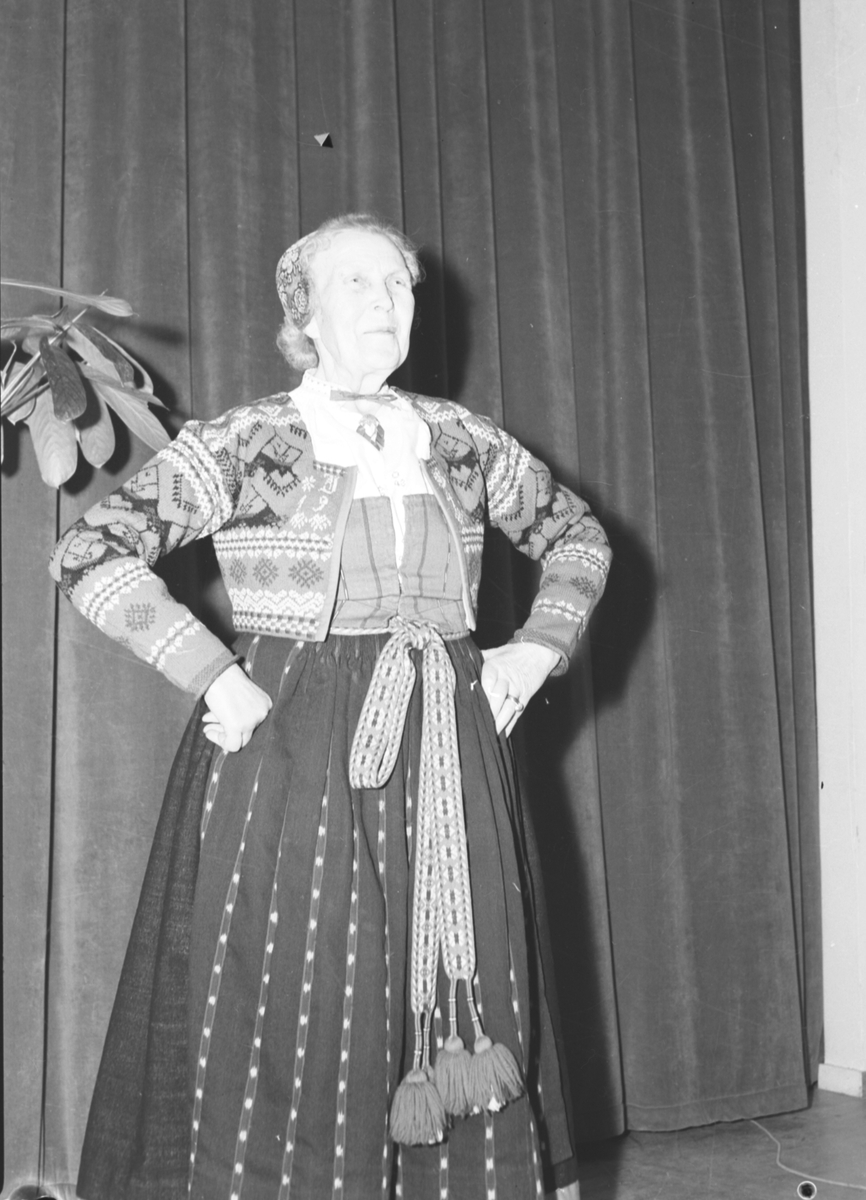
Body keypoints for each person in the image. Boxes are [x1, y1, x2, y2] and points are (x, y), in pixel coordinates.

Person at [50, 213, 611, 1200]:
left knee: (468, 975)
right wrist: (211, 672)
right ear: (302, 312)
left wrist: (534, 650)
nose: (387, 300)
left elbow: (579, 539)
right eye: (357, 281)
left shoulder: (463, 440)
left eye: (399, 285)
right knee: (306, 984)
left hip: (450, 738)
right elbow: (89, 550)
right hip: (295, 742)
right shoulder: (246, 440)